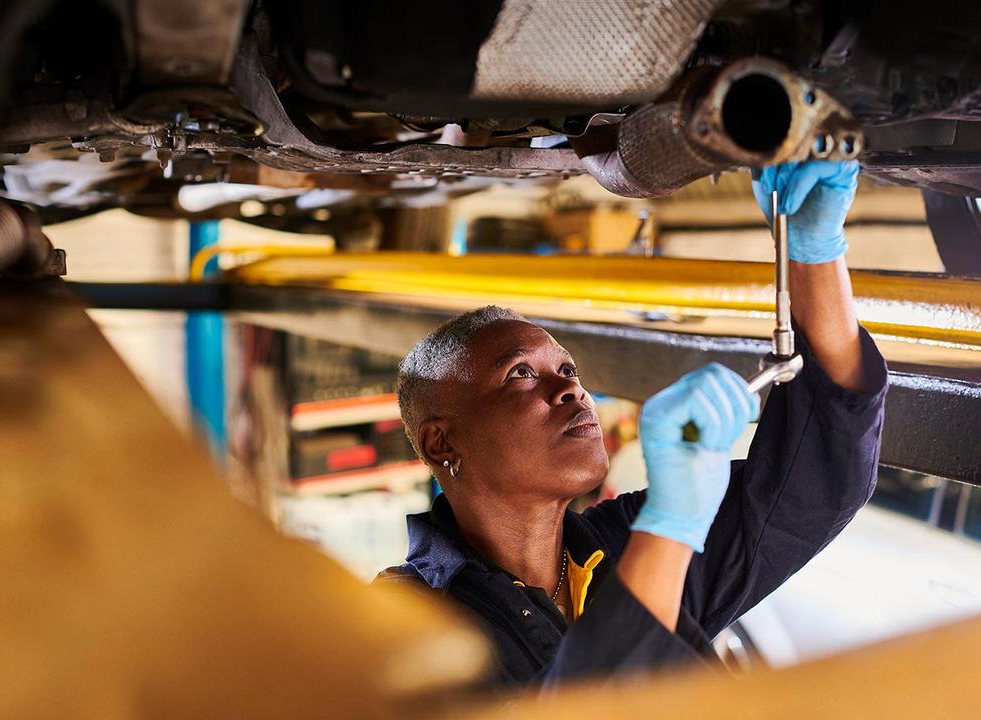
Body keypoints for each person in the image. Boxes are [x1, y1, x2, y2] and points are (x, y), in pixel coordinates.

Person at [376, 161, 888, 688]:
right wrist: (668, 533)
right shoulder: (397, 622)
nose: (572, 389)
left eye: (569, 370)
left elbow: (815, 484)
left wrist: (812, 254)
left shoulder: (621, 543)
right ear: (443, 442)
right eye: (520, 374)